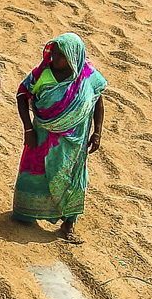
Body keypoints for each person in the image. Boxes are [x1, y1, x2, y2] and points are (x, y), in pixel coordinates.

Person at [12, 33, 106, 240]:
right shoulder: (41, 73)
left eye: (60, 55)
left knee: (72, 178)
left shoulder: (88, 76)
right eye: (53, 53)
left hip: (74, 143)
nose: (54, 58)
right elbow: (21, 94)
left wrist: (97, 133)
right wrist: (28, 129)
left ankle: (69, 222)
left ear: (73, 57)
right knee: (36, 172)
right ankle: (27, 212)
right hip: (41, 138)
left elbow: (98, 101)